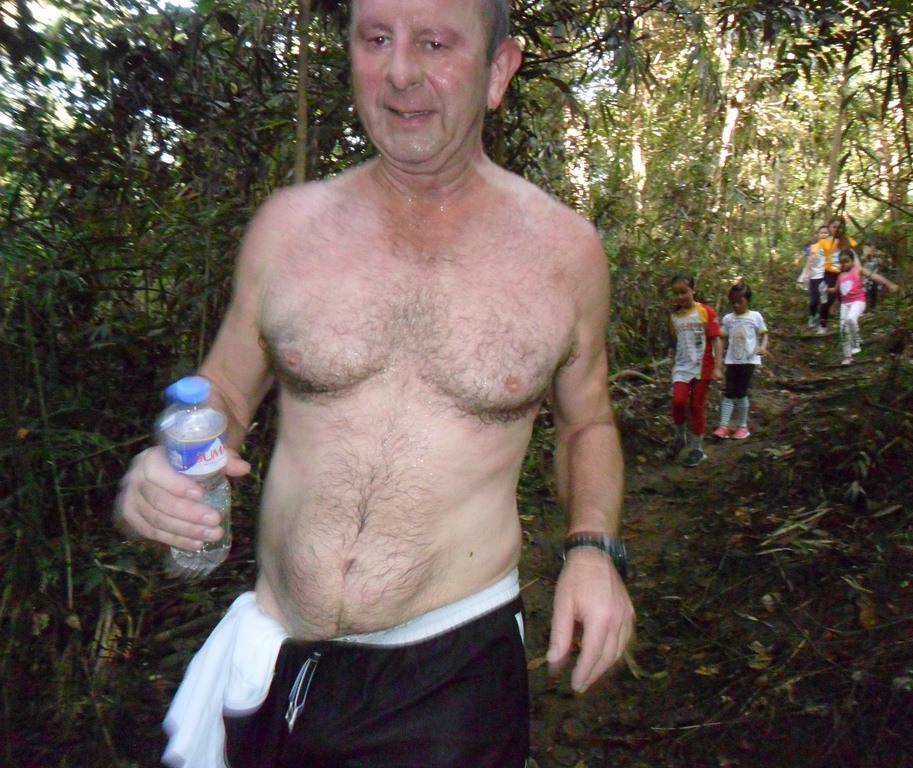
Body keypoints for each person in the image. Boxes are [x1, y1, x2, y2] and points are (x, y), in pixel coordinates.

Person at [113, 1, 634, 766]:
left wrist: (592, 550)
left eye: (435, 43)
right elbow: (223, 388)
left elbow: (588, 423)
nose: (400, 73)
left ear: (498, 71)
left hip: (450, 675)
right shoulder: (290, 228)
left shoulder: (564, 254)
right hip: (275, 658)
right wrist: (164, 465)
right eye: (377, 38)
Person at [665, 274, 724, 466]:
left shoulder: (705, 311)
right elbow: (674, 343)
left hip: (702, 366)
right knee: (678, 401)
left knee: (697, 406)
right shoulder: (674, 317)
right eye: (676, 293)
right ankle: (680, 437)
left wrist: (718, 367)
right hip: (682, 365)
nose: (680, 297)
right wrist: (671, 363)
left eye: (684, 292)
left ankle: (697, 448)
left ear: (693, 290)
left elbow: (716, 340)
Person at [712, 283, 769, 440]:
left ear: (747, 301)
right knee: (729, 392)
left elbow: (764, 334)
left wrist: (763, 347)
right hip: (732, 360)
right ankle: (724, 426)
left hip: (749, 360)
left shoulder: (755, 316)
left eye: (740, 302)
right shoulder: (728, 319)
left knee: (741, 392)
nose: (736, 305)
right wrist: (719, 359)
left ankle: (742, 426)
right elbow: (723, 339)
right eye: (733, 302)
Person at [831, 249, 899, 365]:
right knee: (843, 329)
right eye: (842, 262)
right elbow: (837, 290)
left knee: (850, 319)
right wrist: (826, 290)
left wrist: (889, 284)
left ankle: (856, 343)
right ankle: (848, 356)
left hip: (858, 301)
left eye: (847, 261)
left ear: (852, 261)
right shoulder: (840, 276)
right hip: (845, 304)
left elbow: (876, 276)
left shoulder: (858, 270)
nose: (844, 264)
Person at [811, 216, 858, 335]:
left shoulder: (847, 240)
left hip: (845, 273)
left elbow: (855, 255)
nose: (837, 229)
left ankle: (850, 326)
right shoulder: (824, 241)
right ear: (829, 227)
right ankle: (823, 324)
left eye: (839, 227)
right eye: (834, 227)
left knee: (847, 298)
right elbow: (815, 253)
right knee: (826, 300)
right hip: (830, 274)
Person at [797, 224, 832, 329]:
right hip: (813, 278)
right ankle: (812, 316)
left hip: (825, 277)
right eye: (822, 233)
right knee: (814, 301)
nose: (824, 235)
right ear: (818, 235)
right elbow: (808, 263)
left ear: (829, 234)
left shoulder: (832, 246)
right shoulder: (813, 247)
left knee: (824, 300)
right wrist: (805, 277)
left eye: (826, 232)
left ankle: (823, 322)